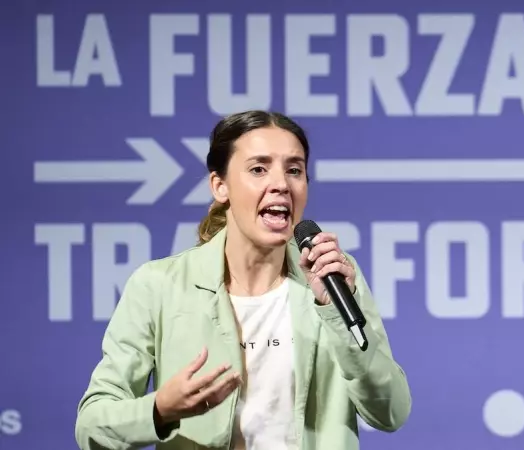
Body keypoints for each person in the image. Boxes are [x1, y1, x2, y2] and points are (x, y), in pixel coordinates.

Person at [74, 110, 412, 450]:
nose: (281, 184)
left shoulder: (332, 276)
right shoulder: (159, 285)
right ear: (220, 186)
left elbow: (391, 412)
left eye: (294, 170)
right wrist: (160, 410)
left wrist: (336, 313)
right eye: (258, 169)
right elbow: (91, 426)